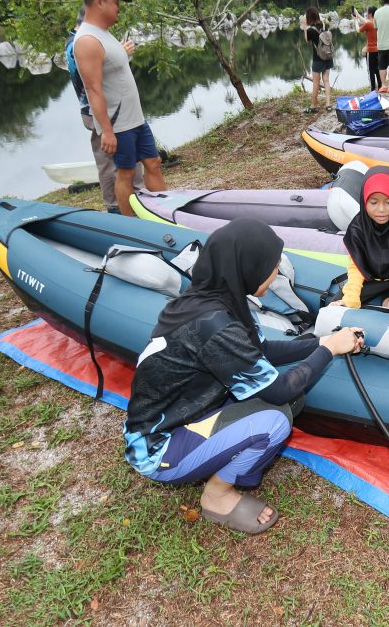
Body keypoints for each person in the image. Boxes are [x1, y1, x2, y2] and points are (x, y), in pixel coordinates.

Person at [123, 218, 365, 534]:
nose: (276, 274)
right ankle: (217, 495)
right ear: (246, 267)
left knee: (288, 403)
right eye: (272, 267)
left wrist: (318, 342)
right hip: (158, 447)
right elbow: (279, 389)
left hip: (189, 413)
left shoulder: (218, 298)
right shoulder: (214, 324)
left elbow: (262, 350)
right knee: (274, 421)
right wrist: (330, 349)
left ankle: (220, 462)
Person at [73, 0, 167, 217]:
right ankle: (132, 225)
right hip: (119, 124)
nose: (119, 9)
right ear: (100, 2)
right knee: (125, 173)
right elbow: (93, 89)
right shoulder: (87, 40)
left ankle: (164, 214)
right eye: (116, 3)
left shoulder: (104, 33)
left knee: (153, 163)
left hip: (135, 119)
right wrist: (106, 130)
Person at [65, 7, 144, 213]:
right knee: (108, 160)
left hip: (117, 109)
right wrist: (122, 54)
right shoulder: (77, 44)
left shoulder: (92, 39)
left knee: (128, 157)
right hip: (97, 112)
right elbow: (90, 81)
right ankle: (115, 207)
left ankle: (136, 200)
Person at [330, 166, 389, 321]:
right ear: (363, 200)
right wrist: (351, 299)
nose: (381, 210)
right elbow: (356, 267)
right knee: (336, 302)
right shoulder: (358, 228)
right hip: (373, 280)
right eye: (374, 202)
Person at [303, 6, 333, 113]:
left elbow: (307, 40)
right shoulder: (325, 26)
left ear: (309, 17)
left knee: (316, 82)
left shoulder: (311, 30)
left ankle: (313, 106)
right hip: (328, 57)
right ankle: (328, 104)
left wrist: (304, 26)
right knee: (326, 80)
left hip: (317, 59)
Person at [353, 6, 381, 91]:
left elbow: (358, 30)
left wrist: (355, 20)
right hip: (378, 50)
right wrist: (357, 14)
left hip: (370, 51)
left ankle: (372, 88)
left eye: (367, 12)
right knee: (377, 69)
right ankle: (380, 86)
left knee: (370, 70)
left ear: (370, 14)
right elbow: (366, 22)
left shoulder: (368, 24)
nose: (366, 14)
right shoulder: (377, 22)